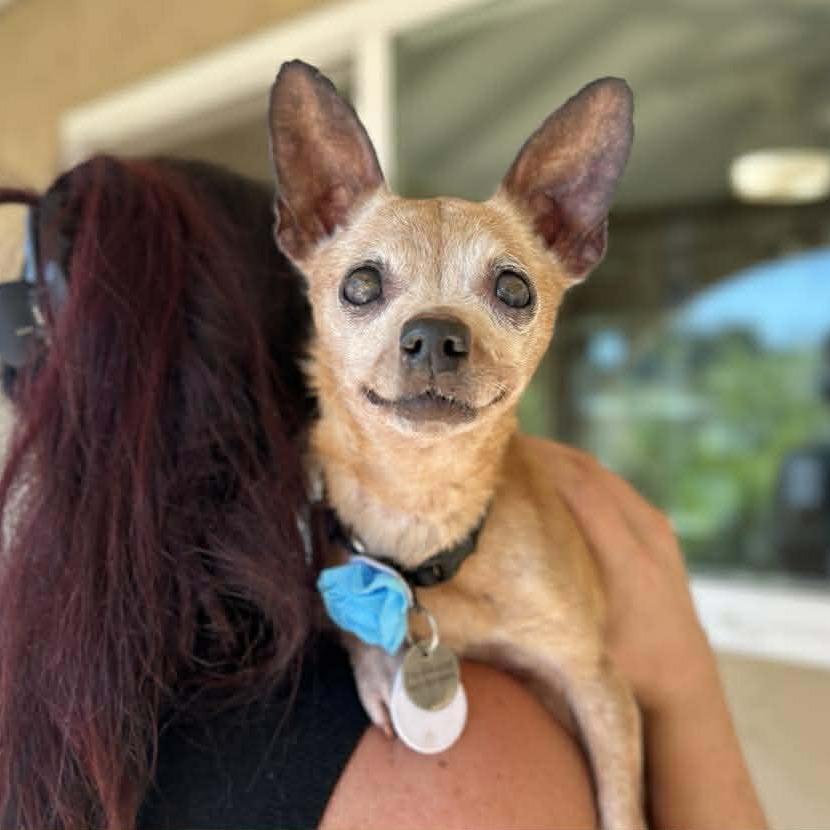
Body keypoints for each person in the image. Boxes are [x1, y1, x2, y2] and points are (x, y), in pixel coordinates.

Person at [0, 157, 766, 830]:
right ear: (307, 324)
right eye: (366, 289)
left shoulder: (39, 682)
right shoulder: (468, 766)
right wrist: (685, 690)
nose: (432, 338)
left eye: (506, 292)